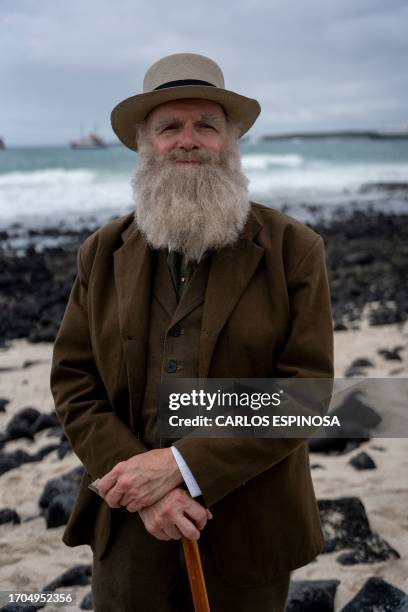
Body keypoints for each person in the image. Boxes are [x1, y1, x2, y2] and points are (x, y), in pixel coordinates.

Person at [50, 52, 334, 612]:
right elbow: (74, 381)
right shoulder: (102, 252)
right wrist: (142, 487)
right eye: (169, 127)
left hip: (249, 530)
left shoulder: (294, 249)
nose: (188, 140)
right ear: (143, 143)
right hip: (130, 523)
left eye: (206, 125)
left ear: (229, 141)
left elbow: (306, 393)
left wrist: (180, 467)